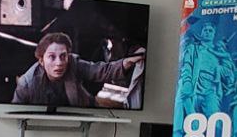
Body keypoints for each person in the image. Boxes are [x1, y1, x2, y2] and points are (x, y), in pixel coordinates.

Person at [11, 32, 142, 108]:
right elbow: (15, 112)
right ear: (41, 61)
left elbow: (101, 71)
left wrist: (127, 62)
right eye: (52, 57)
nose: (59, 63)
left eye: (63, 56)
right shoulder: (26, 83)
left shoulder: (73, 63)